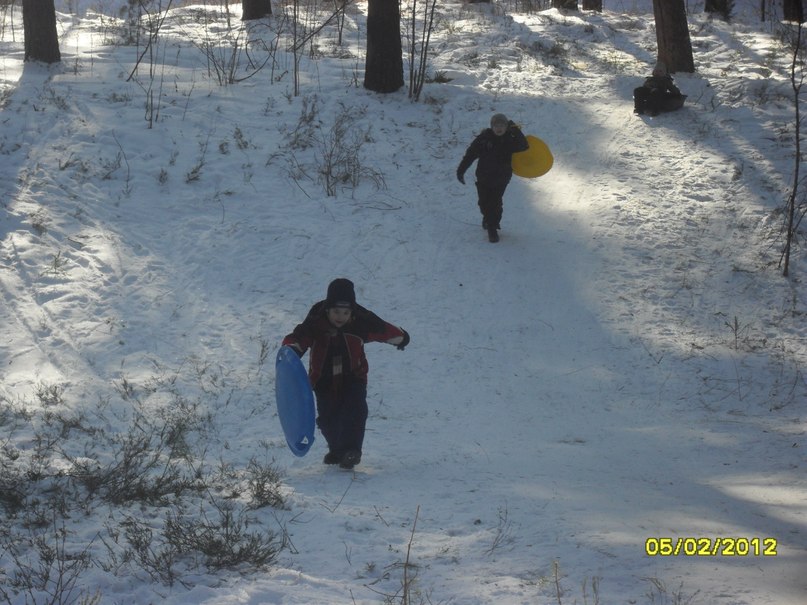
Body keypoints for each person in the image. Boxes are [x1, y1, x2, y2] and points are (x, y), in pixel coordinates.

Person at [282, 278, 410, 470]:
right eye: (335, 312)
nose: (340, 317)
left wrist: (401, 338)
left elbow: (381, 329)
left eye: (345, 312)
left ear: (352, 311)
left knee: (356, 410)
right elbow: (301, 336)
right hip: (323, 379)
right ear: (327, 309)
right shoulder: (317, 323)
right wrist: (291, 350)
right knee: (328, 418)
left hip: (353, 377)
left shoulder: (361, 322)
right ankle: (337, 450)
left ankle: (352, 451)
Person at [456, 113, 529, 243]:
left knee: (496, 202)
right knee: (483, 203)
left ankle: (492, 227)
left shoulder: (509, 140)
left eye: (502, 125)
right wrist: (461, 170)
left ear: (507, 127)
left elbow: (524, 145)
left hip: (502, 178)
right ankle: (487, 218)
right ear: (491, 126)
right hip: (484, 177)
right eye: (496, 125)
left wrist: (515, 129)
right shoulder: (484, 139)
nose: (499, 128)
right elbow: (470, 155)